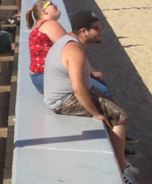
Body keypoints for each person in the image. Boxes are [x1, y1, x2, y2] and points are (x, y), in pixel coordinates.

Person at [43, 11, 137, 183]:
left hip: (69, 93)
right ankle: (122, 171)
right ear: (84, 32)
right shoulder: (74, 50)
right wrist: (96, 113)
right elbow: (78, 89)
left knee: (114, 105)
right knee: (119, 117)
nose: (101, 30)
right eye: (96, 28)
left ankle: (120, 159)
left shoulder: (71, 42)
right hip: (64, 100)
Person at [25, 0, 67, 92]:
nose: (55, 5)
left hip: (39, 78)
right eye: (51, 4)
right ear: (44, 11)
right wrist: (91, 71)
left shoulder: (38, 27)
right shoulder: (50, 24)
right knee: (101, 89)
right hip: (47, 78)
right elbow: (72, 50)